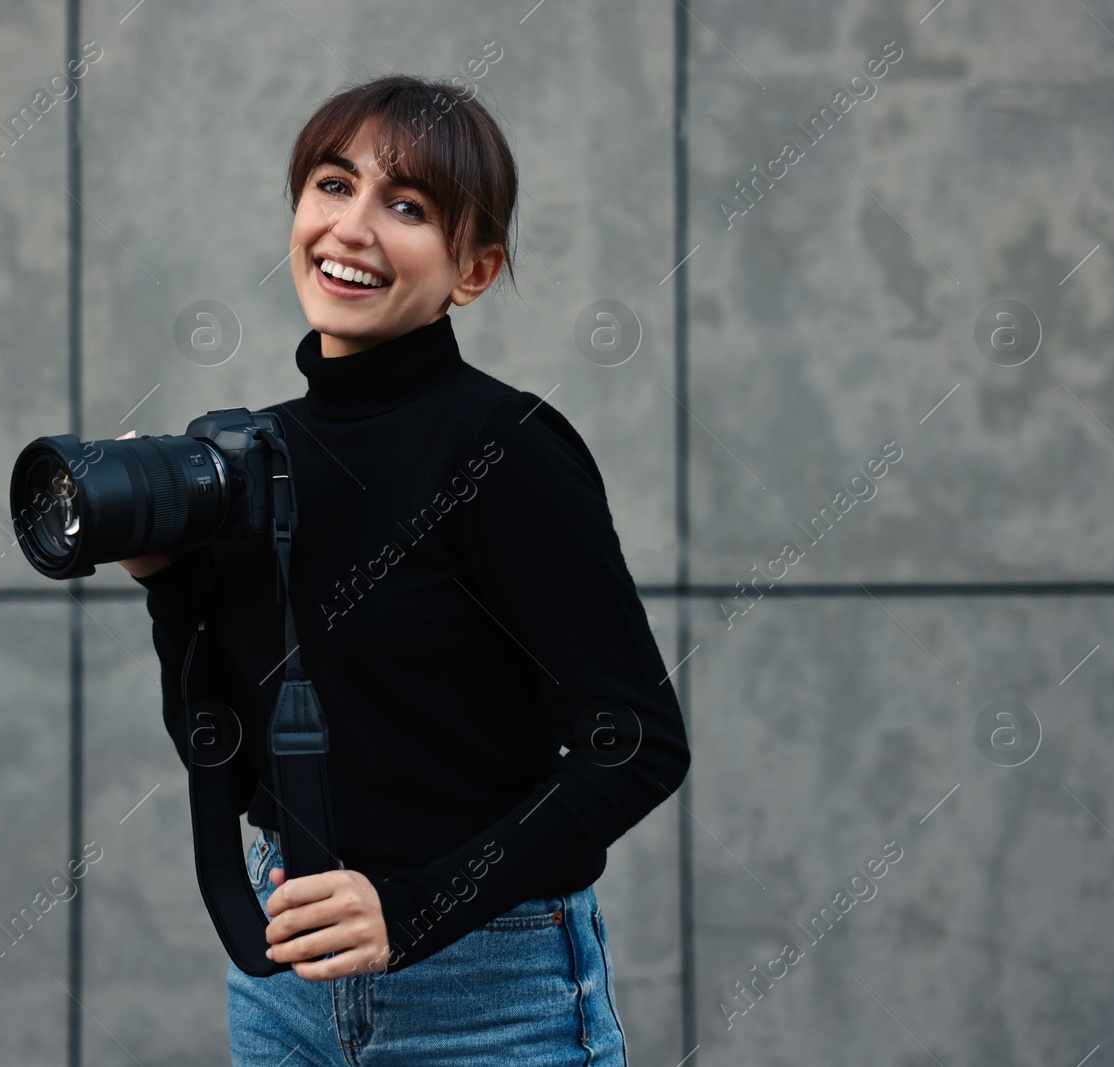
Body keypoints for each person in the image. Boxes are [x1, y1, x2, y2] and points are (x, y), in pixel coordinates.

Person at [119, 73, 690, 1065]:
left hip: (487, 990)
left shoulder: (503, 448)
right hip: (288, 979)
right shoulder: (250, 456)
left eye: (408, 205)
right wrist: (169, 581)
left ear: (473, 269)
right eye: (332, 186)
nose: (353, 227)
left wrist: (418, 905)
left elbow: (634, 746)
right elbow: (227, 755)